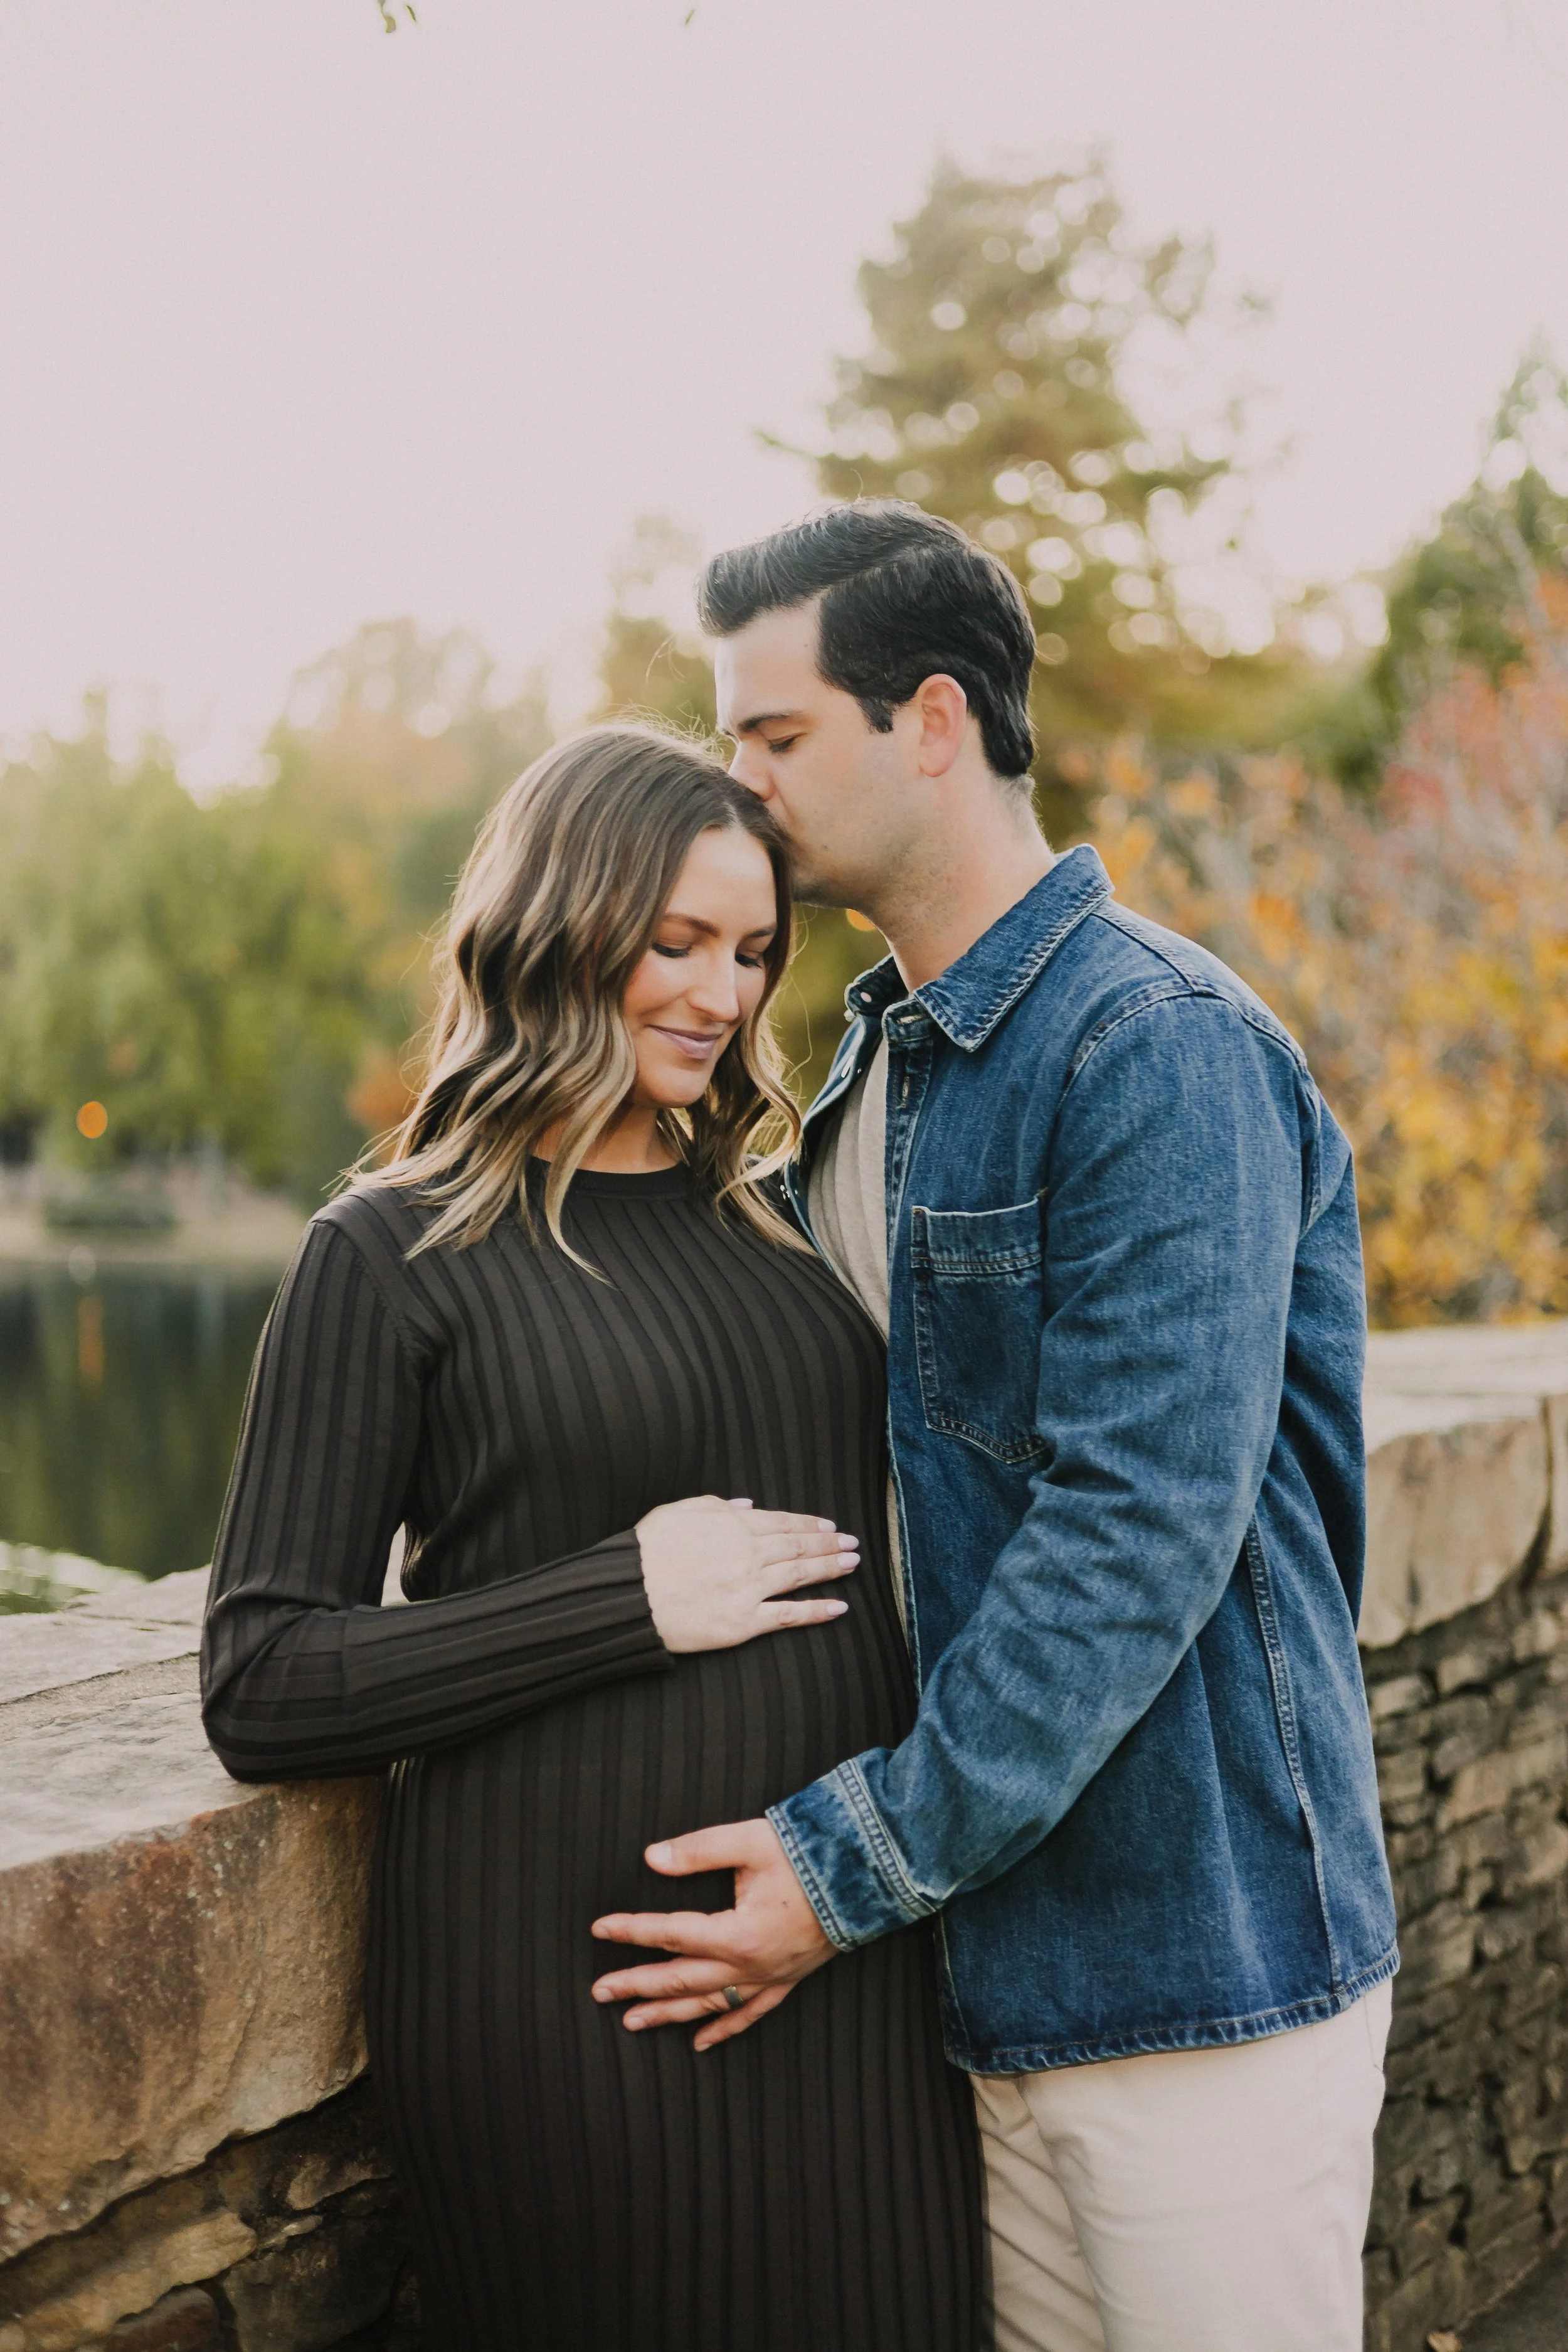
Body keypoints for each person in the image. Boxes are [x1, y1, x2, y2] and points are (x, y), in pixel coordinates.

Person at [588, 505, 1400, 2352]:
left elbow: (1133, 1534)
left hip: (1200, 1975)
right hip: (983, 1969)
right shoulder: (877, 1073)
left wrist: (841, 1866)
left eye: (773, 735)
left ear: (932, 721)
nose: (739, 784)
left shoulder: (1153, 1049)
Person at [199, 725, 983, 2352]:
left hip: (835, 1958)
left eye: (753, 949)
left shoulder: (761, 1207)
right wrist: (619, 1596)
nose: (718, 991)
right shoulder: (392, 1249)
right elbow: (264, 1675)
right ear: (560, 921)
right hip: (579, 2002)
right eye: (674, 939)